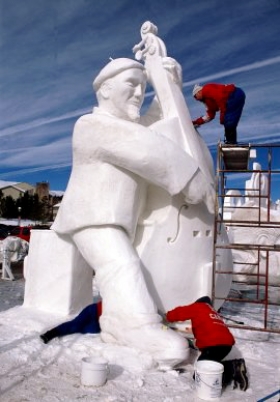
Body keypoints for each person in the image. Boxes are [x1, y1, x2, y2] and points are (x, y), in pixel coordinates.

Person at [51, 57, 215, 370]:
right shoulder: (90, 125)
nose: (140, 92)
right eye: (132, 84)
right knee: (120, 265)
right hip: (92, 219)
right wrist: (192, 179)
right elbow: (145, 147)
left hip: (118, 222)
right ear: (105, 90)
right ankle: (132, 327)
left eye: (143, 86)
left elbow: (149, 127)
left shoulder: (126, 125)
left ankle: (132, 320)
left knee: (127, 263)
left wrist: (169, 88)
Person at [165, 296, 249, 390]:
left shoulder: (198, 307)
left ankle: (233, 368)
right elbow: (212, 330)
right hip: (227, 344)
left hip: (214, 345)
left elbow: (180, 312)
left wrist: (167, 316)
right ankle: (232, 371)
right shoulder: (214, 313)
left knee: (200, 376)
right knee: (212, 365)